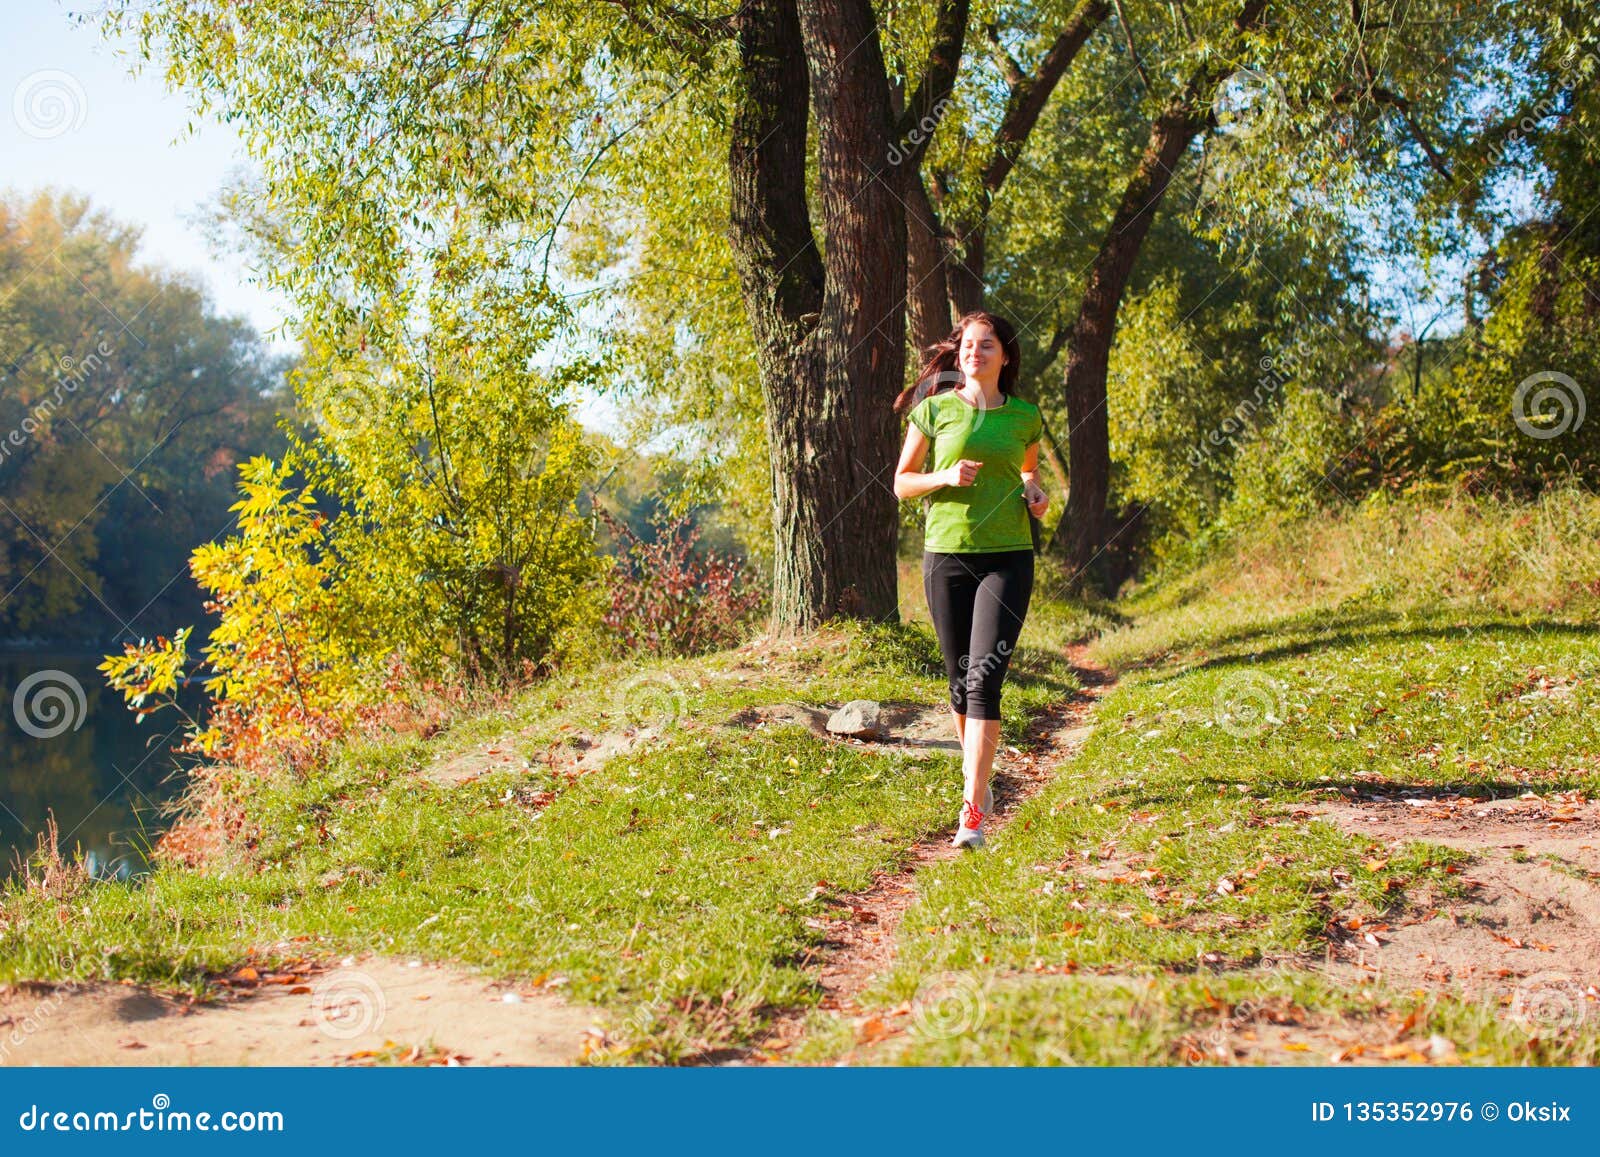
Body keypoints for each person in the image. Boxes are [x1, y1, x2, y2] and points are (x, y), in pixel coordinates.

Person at [892, 311, 1047, 850]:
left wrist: (1035, 494)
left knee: (984, 681)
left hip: (1008, 557)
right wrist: (944, 476)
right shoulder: (933, 411)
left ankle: (972, 813)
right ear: (958, 355)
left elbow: (1026, 471)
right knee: (960, 685)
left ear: (1005, 356)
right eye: (967, 346)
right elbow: (901, 483)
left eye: (986, 346)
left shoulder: (1026, 416)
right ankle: (975, 781)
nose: (974, 353)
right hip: (947, 557)